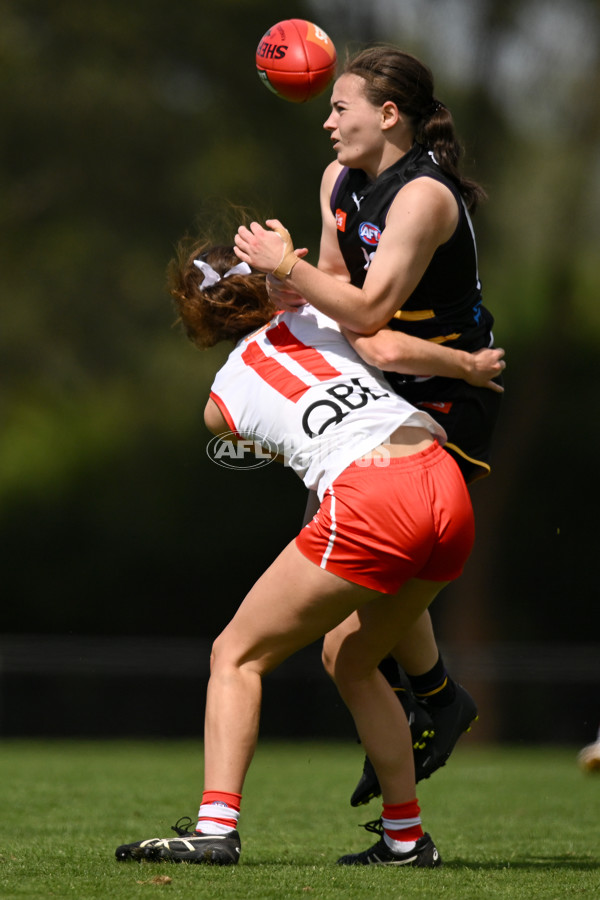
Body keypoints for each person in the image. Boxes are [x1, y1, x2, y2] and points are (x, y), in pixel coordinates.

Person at [115, 241, 484, 867]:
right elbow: (362, 315)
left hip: (371, 495)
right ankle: (405, 839)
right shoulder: (326, 314)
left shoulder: (219, 403)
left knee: (235, 655)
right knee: (351, 658)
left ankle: (214, 827)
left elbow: (252, 426)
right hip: (442, 480)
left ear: (203, 324)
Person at [234, 45, 504, 804]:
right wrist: (288, 292)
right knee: (356, 574)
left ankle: (435, 706)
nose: (326, 123)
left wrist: (288, 266)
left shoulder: (424, 197)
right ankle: (437, 700)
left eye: (340, 108)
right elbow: (338, 296)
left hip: (451, 402)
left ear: (389, 115)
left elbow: (373, 311)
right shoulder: (340, 179)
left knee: (365, 594)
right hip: (382, 379)